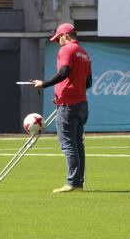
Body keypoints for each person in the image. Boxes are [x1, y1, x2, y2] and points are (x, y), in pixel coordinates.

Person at [32, 23, 92, 193]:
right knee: (78, 144)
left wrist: (44, 84)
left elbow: (64, 72)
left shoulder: (67, 49)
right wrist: (64, 93)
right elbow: (88, 83)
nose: (58, 42)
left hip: (69, 106)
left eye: (58, 38)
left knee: (68, 145)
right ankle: (78, 183)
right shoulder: (85, 54)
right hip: (81, 105)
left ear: (65, 35)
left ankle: (72, 183)